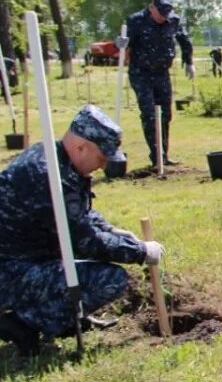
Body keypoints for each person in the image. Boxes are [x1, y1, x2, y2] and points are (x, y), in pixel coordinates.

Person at [0, 106, 164, 355]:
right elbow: (86, 242)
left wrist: (109, 229)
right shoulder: (50, 177)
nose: (102, 165)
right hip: (9, 272)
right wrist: (140, 251)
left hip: (24, 258)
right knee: (110, 279)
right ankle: (22, 323)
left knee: (85, 269)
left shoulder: (54, 159)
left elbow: (80, 216)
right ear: (81, 147)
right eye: (101, 157)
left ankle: (64, 319)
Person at [117, 0, 194, 166]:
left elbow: (184, 41)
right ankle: (156, 156)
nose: (163, 18)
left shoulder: (173, 21)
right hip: (141, 73)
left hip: (162, 73)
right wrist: (120, 44)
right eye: (160, 14)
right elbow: (124, 45)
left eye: (166, 14)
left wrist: (189, 62)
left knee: (166, 114)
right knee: (150, 114)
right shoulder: (136, 21)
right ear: (151, 7)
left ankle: (164, 156)